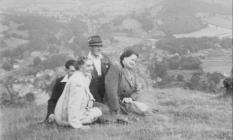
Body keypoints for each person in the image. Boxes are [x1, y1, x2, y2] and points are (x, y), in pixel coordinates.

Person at [54, 56, 102, 129]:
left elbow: (89, 97)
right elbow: (73, 105)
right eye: (88, 66)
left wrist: (88, 109)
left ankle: (87, 118)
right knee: (99, 112)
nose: (91, 68)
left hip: (71, 113)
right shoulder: (77, 82)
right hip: (65, 117)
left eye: (92, 65)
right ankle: (77, 122)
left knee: (98, 111)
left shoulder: (82, 77)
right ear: (80, 67)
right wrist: (77, 126)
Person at [104, 49, 149, 116]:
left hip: (126, 103)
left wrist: (130, 98)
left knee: (145, 108)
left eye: (135, 61)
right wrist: (116, 109)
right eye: (132, 59)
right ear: (124, 58)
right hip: (114, 103)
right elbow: (111, 92)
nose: (133, 62)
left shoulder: (132, 72)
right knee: (142, 109)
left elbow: (137, 90)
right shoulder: (116, 68)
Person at [87, 35, 111, 103]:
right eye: (96, 46)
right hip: (92, 89)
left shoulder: (105, 57)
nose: (99, 48)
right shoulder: (86, 60)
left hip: (105, 88)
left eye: (100, 46)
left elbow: (110, 72)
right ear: (90, 47)